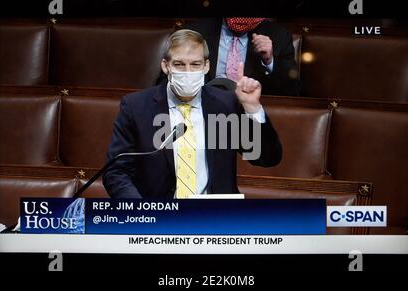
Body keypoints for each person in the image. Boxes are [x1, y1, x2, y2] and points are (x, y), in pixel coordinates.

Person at [103, 29, 282, 199]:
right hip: (160, 218)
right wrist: (144, 212)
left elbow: (267, 158)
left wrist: (253, 109)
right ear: (166, 66)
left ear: (206, 66)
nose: (188, 72)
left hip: (215, 218)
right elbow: (116, 172)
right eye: (179, 64)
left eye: (195, 64)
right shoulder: (136, 107)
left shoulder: (225, 104)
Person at [157, 18, 300, 96]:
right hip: (200, 107)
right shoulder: (195, 32)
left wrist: (269, 60)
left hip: (247, 112)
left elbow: (292, 91)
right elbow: (164, 82)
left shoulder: (278, 35)